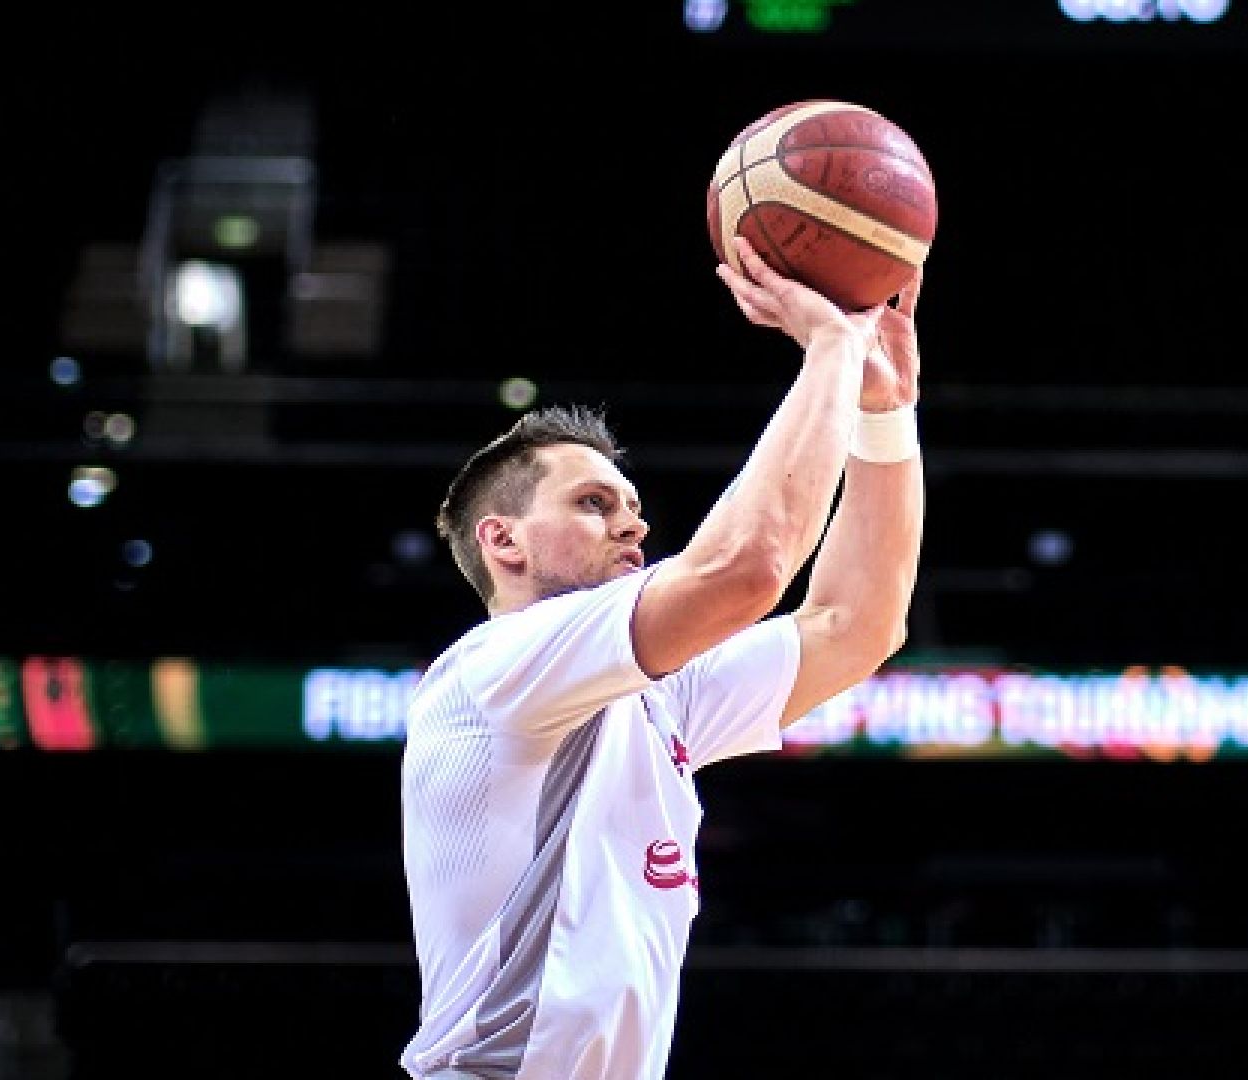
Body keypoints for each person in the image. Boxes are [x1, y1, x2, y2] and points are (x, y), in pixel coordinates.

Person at [397, 237, 926, 1080]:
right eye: (593, 503)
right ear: (503, 541)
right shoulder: (495, 667)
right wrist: (831, 347)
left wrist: (884, 413)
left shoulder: (653, 701)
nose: (633, 524)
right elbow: (747, 568)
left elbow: (857, 623)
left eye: (633, 505)